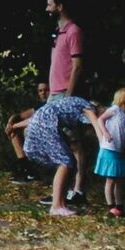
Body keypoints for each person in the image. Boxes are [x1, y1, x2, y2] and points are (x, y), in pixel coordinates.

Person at [10, 91, 98, 217]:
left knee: (69, 162)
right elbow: (97, 126)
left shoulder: (70, 105)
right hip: (46, 125)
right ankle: (56, 206)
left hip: (42, 124)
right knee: (65, 162)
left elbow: (36, 117)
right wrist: (104, 140)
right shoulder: (88, 108)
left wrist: (15, 125)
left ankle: (61, 203)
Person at [45, 0, 83, 101]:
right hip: (54, 93)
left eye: (49, 5)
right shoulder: (57, 31)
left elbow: (77, 66)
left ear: (60, 7)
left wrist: (68, 96)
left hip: (64, 94)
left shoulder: (73, 31)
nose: (47, 9)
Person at [95, 88, 125, 219]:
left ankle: (119, 205)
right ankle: (111, 205)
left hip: (119, 149)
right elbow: (100, 119)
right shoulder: (115, 110)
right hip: (110, 148)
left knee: (119, 179)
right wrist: (105, 132)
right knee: (111, 178)